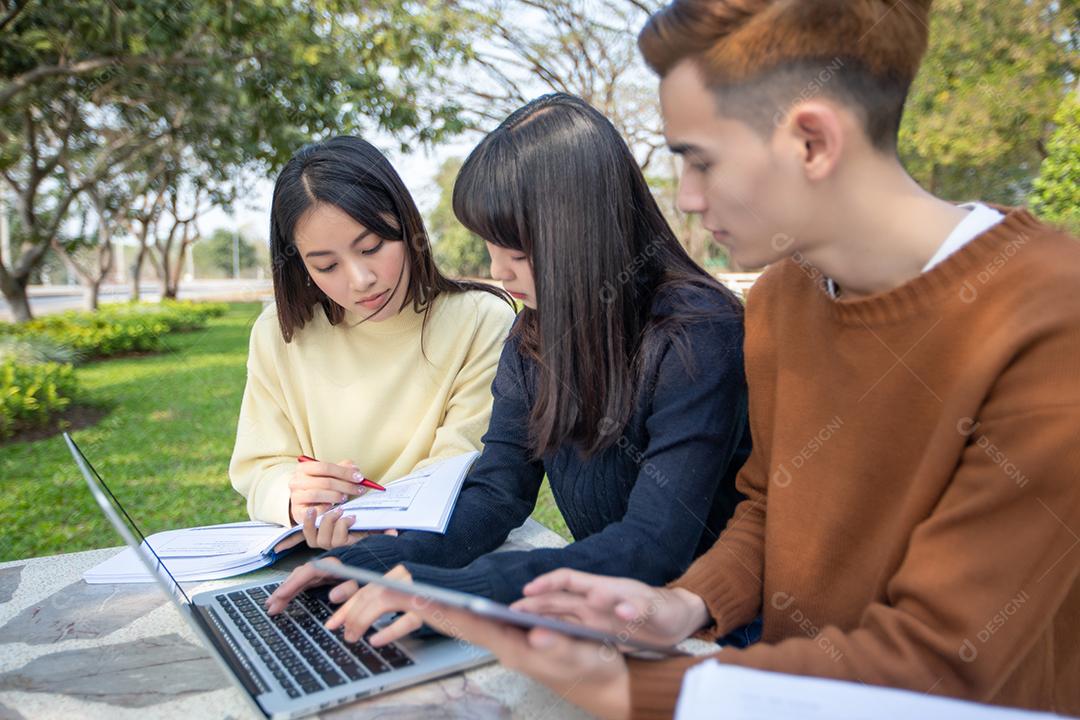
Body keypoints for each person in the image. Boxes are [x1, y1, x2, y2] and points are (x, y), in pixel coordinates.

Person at [307, 2, 1080, 718]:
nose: (683, 198)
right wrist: (684, 604)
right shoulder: (783, 300)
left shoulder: (1051, 317)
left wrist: (607, 674)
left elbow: (944, 665)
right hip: (759, 670)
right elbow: (767, 510)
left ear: (812, 142)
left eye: (700, 161)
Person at [265, 94, 753, 636]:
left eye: (518, 252)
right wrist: (366, 565)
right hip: (606, 621)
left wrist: (473, 591)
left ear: (586, 232)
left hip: (723, 634)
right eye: (491, 247)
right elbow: (498, 493)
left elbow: (651, 544)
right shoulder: (533, 338)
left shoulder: (696, 334)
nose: (499, 271)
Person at [230, 136, 515, 549]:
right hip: (321, 554)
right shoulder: (279, 332)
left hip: (444, 551)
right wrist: (295, 498)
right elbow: (260, 468)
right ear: (301, 266)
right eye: (326, 265)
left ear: (407, 224)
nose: (361, 280)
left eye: (372, 247)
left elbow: (461, 466)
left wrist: (381, 527)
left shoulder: (480, 319)